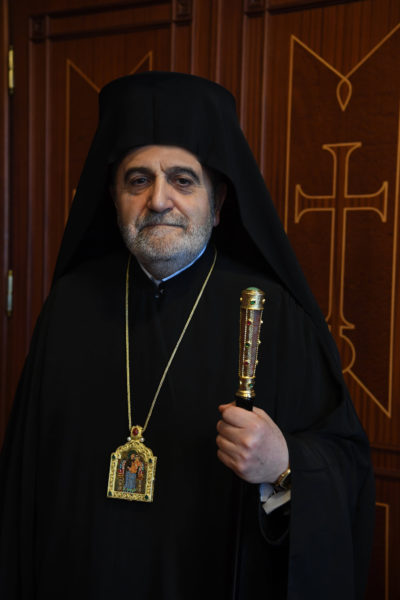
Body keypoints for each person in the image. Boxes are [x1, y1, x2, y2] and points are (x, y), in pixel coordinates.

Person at [0, 72, 374, 599]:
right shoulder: (70, 306)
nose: (158, 200)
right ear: (113, 198)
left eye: (182, 180)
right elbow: (24, 485)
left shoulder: (274, 314)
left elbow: (347, 468)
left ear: (217, 204)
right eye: (138, 180)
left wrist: (284, 465)